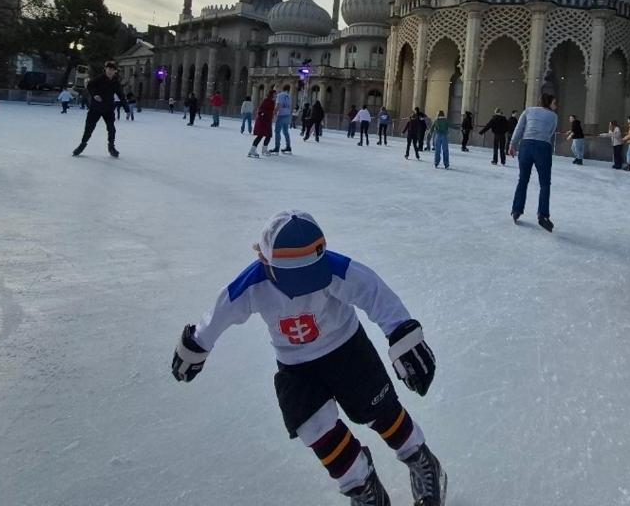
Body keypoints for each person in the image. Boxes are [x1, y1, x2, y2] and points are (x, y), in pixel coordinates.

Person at [170, 210, 446, 506]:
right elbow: (221, 311)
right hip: (296, 366)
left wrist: (402, 334)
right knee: (313, 426)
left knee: (381, 412)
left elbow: (375, 293)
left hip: (347, 351)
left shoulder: (332, 268)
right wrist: (197, 345)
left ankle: (422, 460)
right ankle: (363, 486)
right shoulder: (253, 283)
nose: (306, 285)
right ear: (264, 260)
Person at [509, 94, 558, 231]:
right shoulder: (554, 116)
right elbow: (551, 132)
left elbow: (519, 128)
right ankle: (543, 215)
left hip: (526, 146)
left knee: (523, 180)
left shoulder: (528, 111)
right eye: (554, 103)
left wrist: (512, 144)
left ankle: (516, 210)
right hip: (543, 147)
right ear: (548, 103)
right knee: (545, 183)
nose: (556, 105)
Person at [72, 61, 124, 158]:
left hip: (108, 108)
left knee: (111, 129)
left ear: (115, 71)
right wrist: (95, 94)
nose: (110, 71)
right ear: (106, 69)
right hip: (96, 108)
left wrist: (126, 107)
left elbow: (121, 94)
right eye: (109, 69)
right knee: (89, 128)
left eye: (112, 70)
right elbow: (90, 86)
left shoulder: (116, 82)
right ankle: (82, 145)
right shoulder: (99, 79)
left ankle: (111, 147)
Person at [249, 90, 275, 158]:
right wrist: (263, 115)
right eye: (275, 94)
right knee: (262, 135)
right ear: (272, 94)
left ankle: (261, 150)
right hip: (264, 121)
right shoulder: (268, 101)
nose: (276, 95)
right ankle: (255, 151)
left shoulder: (269, 101)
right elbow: (261, 110)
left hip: (266, 120)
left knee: (267, 135)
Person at [271, 84, 294, 154]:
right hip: (287, 115)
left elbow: (278, 105)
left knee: (277, 131)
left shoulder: (280, 95)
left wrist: (273, 113)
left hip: (281, 115)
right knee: (285, 132)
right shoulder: (289, 96)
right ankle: (288, 146)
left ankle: (277, 147)